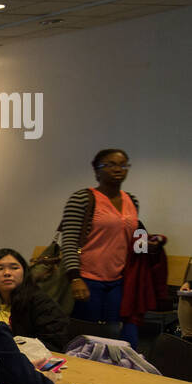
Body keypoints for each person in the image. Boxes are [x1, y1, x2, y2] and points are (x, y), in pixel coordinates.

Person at [58, 148, 142, 346]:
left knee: (117, 338)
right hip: (87, 279)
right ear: (96, 171)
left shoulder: (132, 201)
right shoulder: (82, 199)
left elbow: (133, 239)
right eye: (110, 164)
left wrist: (148, 246)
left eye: (123, 165)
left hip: (119, 281)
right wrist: (75, 278)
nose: (118, 169)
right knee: (88, 337)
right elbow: (69, 241)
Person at [0, 248, 69, 352]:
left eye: (14, 268)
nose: (7, 273)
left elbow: (54, 342)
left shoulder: (40, 302)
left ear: (24, 272)